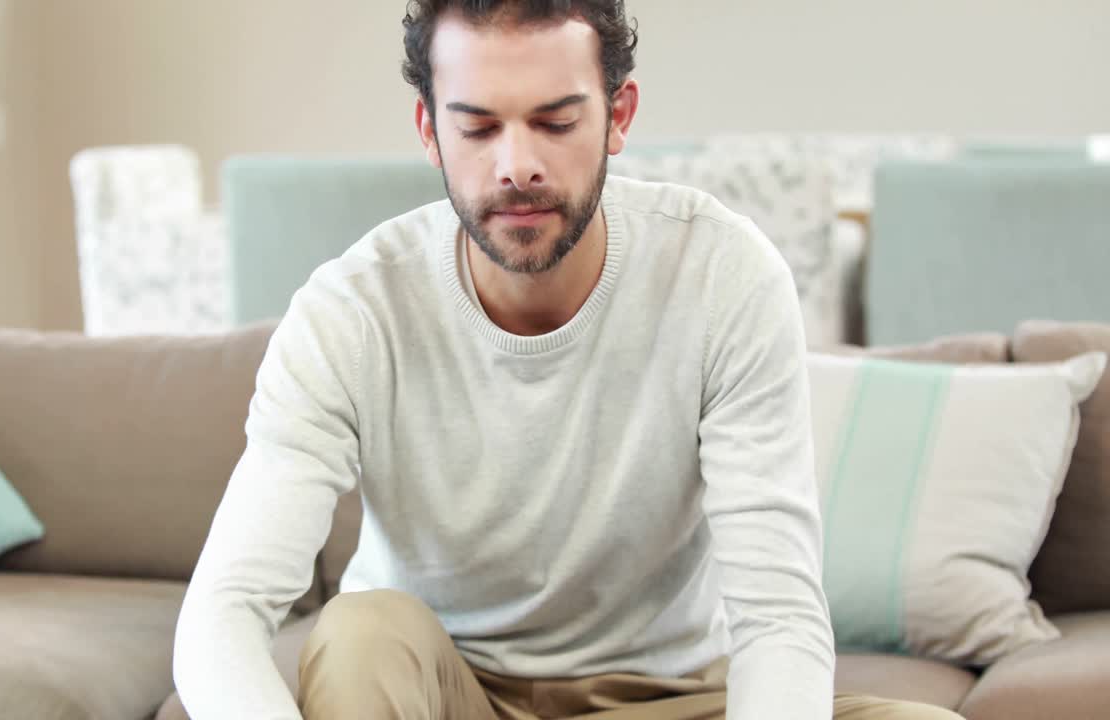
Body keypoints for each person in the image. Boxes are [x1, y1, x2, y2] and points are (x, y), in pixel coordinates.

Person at [174, 2, 964, 719]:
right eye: (478, 128)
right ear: (429, 131)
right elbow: (223, 611)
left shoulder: (724, 275)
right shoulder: (351, 314)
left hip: (669, 697)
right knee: (359, 635)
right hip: (444, 694)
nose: (517, 165)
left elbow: (778, 614)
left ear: (619, 115)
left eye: (554, 122)